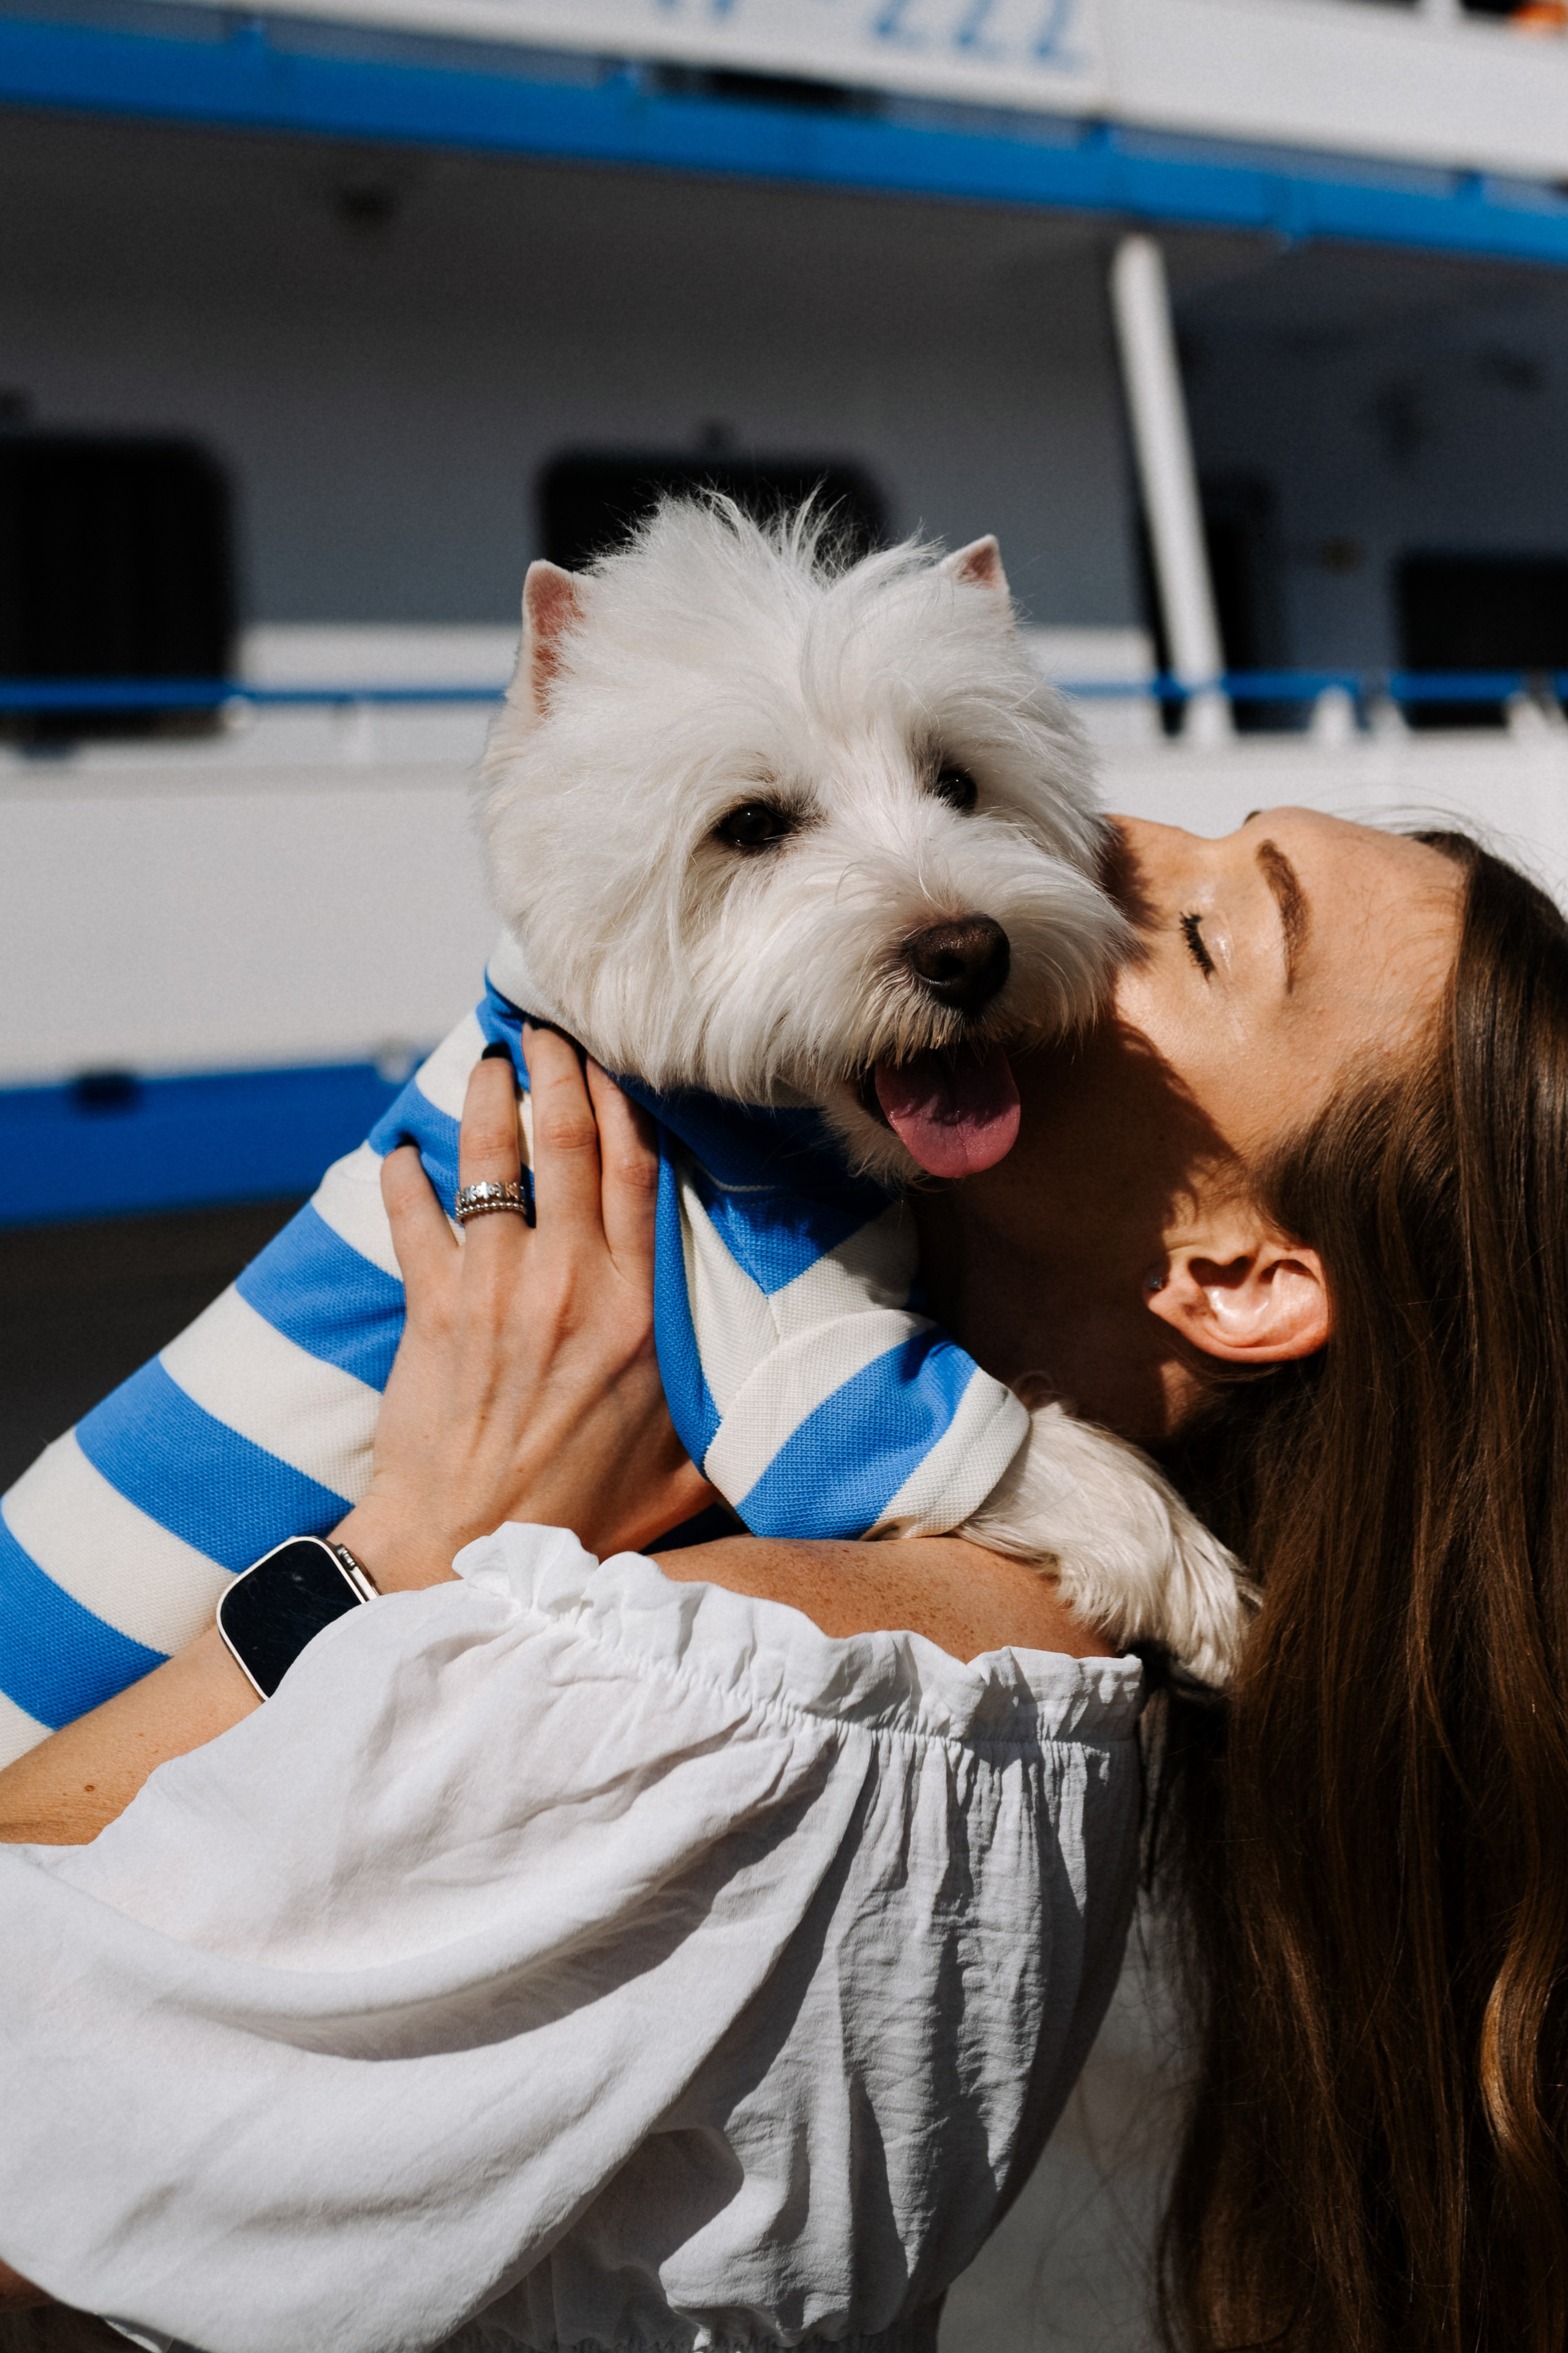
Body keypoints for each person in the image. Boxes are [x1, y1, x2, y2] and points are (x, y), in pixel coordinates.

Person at [2, 801, 1557, 2353]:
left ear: (1231, 1276)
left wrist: (397, 1553)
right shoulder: (983, 1688)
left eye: (1212, 931)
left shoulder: (746, 1692)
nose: (1102, 836)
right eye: (1197, 830)